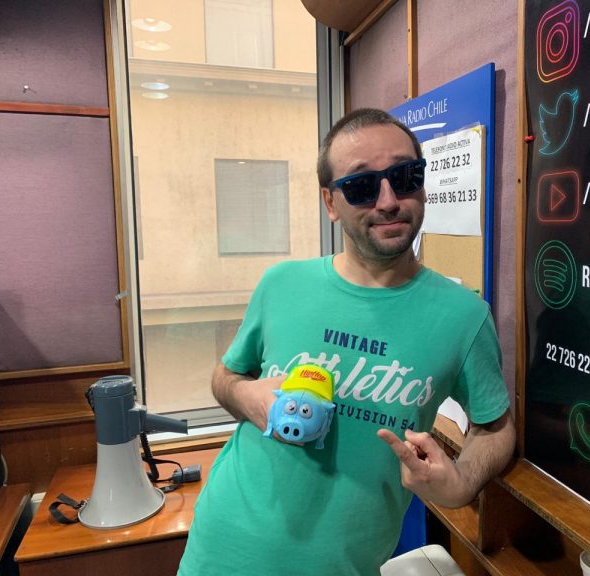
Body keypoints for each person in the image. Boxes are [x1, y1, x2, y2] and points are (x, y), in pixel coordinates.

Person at [178, 108, 515, 576]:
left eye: (405, 177)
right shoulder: (281, 284)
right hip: (221, 551)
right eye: (361, 186)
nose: (388, 200)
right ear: (330, 203)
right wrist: (245, 397)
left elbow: (495, 428)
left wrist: (461, 485)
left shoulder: (464, 317)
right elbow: (226, 376)